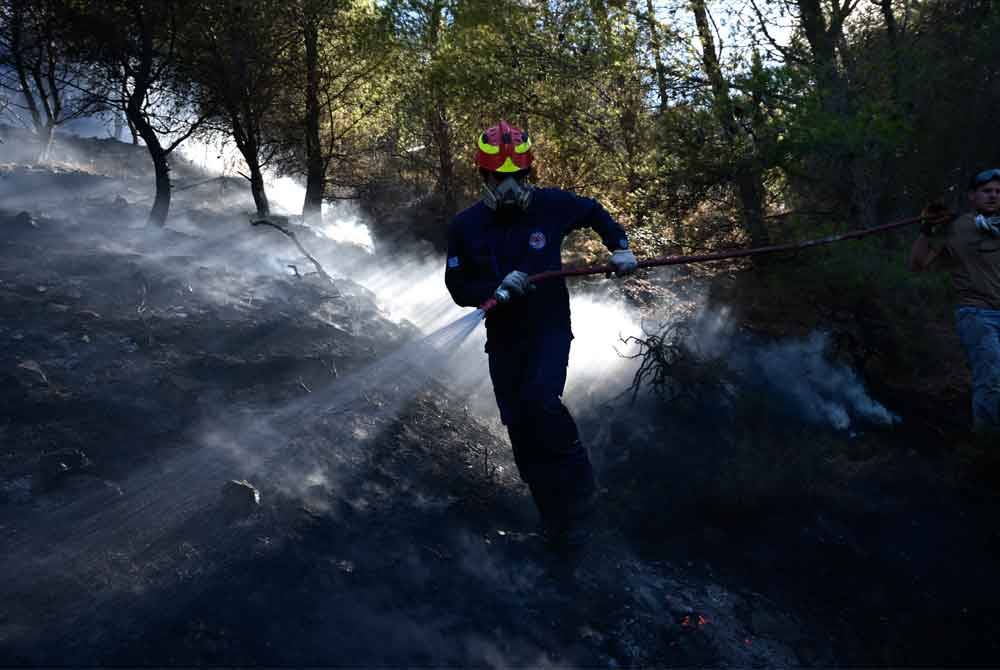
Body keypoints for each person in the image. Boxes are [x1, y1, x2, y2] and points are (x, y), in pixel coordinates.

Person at [444, 120, 638, 547]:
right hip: (504, 338)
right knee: (518, 424)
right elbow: (457, 288)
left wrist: (619, 247)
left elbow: (593, 212)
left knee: (540, 401)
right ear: (485, 177)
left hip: (550, 329)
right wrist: (491, 290)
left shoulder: (551, 206)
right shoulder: (465, 226)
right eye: (501, 179)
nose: (511, 188)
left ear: (529, 175)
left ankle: (585, 496)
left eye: (519, 178)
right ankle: (554, 520)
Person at [910, 168, 1000, 435]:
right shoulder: (956, 227)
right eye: (987, 191)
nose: (994, 196)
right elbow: (918, 265)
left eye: (998, 192)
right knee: (992, 380)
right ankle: (988, 444)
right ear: (972, 196)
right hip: (978, 314)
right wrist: (926, 230)